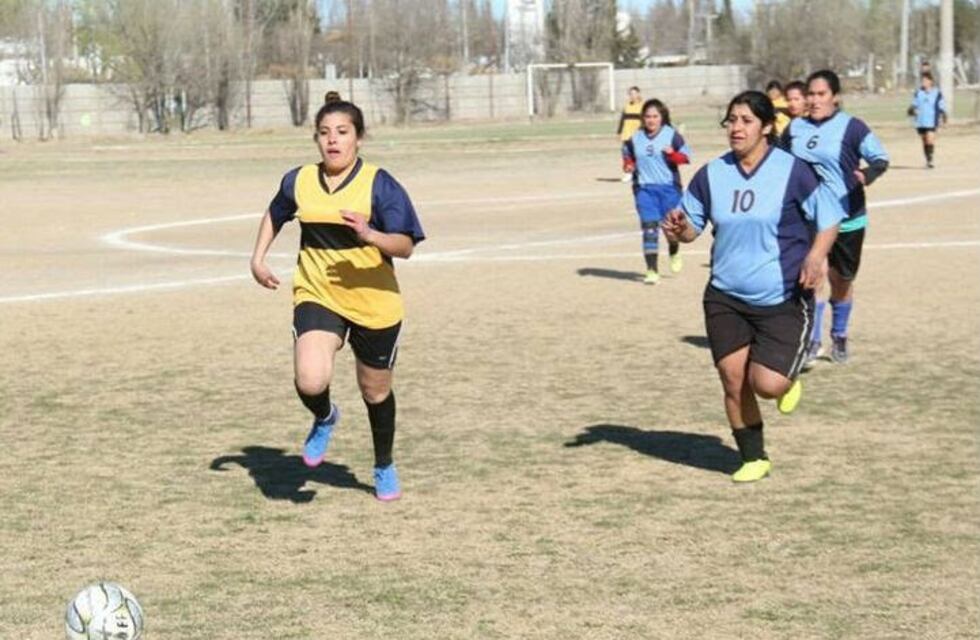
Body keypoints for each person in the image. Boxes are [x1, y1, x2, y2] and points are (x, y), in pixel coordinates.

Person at [662, 90, 843, 483]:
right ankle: (753, 458)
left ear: (765, 127)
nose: (736, 128)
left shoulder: (793, 171)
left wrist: (815, 257)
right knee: (732, 379)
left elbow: (829, 219)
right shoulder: (712, 174)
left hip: (782, 296)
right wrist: (679, 231)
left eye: (745, 120)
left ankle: (786, 378)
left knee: (766, 384)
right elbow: (692, 228)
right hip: (725, 295)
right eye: (731, 120)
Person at [249, 100, 425, 502]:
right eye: (325, 132)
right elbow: (276, 213)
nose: (333, 140)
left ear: (358, 138)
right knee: (310, 377)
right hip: (318, 291)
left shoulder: (380, 184)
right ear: (316, 138)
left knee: (375, 391)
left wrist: (371, 235)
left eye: (343, 132)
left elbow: (406, 245)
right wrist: (257, 258)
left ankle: (383, 464)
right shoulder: (299, 181)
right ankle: (325, 416)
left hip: (374, 300)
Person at [781, 69, 889, 366]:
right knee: (812, 276)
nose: (814, 100)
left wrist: (867, 174)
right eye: (810, 95)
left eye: (821, 94)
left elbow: (880, 158)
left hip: (848, 215)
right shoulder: (794, 129)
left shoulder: (852, 127)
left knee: (841, 281)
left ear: (835, 97)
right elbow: (777, 163)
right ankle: (811, 342)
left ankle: (839, 334)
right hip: (809, 219)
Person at [622, 98, 691, 284]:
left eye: (655, 116)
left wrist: (673, 154)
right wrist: (628, 164)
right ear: (643, 118)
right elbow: (626, 151)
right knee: (649, 229)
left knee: (671, 230)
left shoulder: (672, 135)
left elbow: (685, 158)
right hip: (644, 189)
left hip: (669, 189)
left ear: (662, 118)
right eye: (647, 116)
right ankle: (652, 270)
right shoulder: (636, 138)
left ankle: (674, 249)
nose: (651, 120)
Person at [907, 71, 947, 168]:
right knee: (924, 141)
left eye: (925, 81)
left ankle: (930, 160)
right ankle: (928, 159)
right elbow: (913, 105)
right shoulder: (918, 93)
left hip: (932, 121)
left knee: (930, 139)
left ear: (930, 81)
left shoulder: (937, 93)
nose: (923, 83)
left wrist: (944, 116)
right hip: (920, 121)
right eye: (922, 81)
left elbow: (942, 106)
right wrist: (911, 111)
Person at [617, 86, 644, 182]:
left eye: (634, 93)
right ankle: (628, 173)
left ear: (638, 94)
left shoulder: (643, 106)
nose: (632, 96)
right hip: (626, 134)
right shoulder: (627, 106)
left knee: (638, 155)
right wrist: (619, 131)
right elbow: (622, 119)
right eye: (630, 94)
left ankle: (639, 173)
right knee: (626, 154)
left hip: (638, 135)